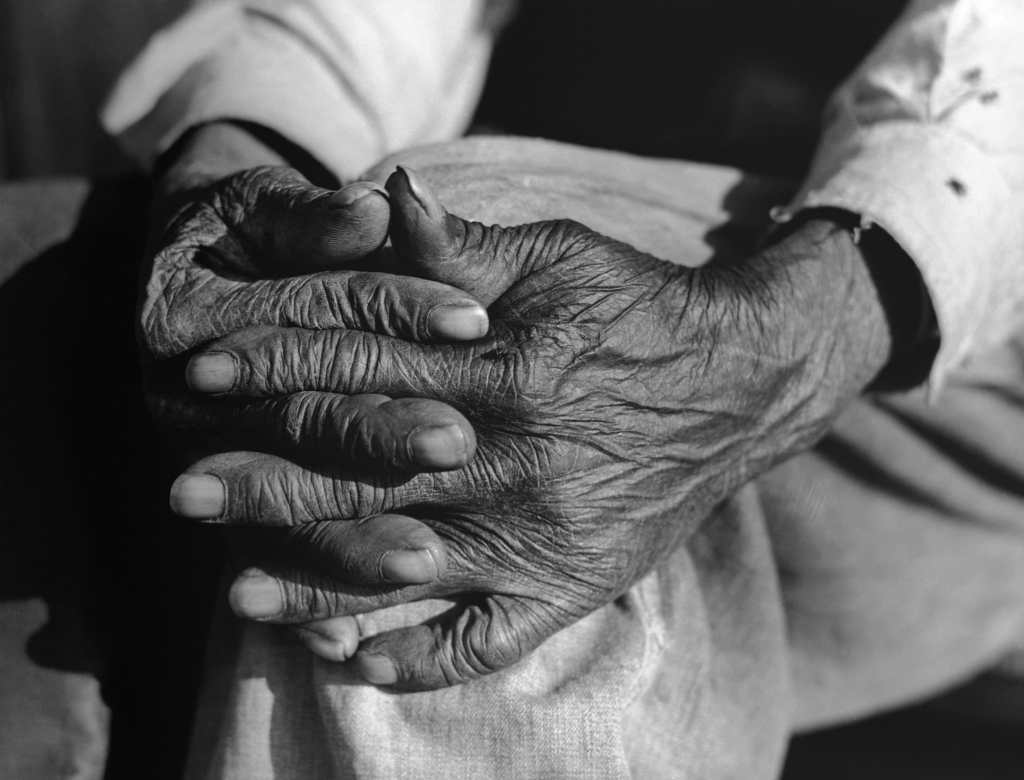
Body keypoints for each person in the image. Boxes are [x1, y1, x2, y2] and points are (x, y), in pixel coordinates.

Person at [100, 1, 1024, 777]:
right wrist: (228, 181)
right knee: (422, 310)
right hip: (628, 198)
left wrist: (816, 320)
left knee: (487, 325)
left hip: (973, 333)